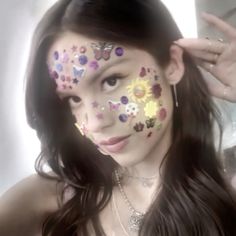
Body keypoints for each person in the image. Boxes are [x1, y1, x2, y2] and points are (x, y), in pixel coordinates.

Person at [0, 0, 236, 235]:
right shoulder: (55, 198)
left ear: (172, 64)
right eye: (73, 99)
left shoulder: (227, 197)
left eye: (111, 80)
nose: (94, 122)